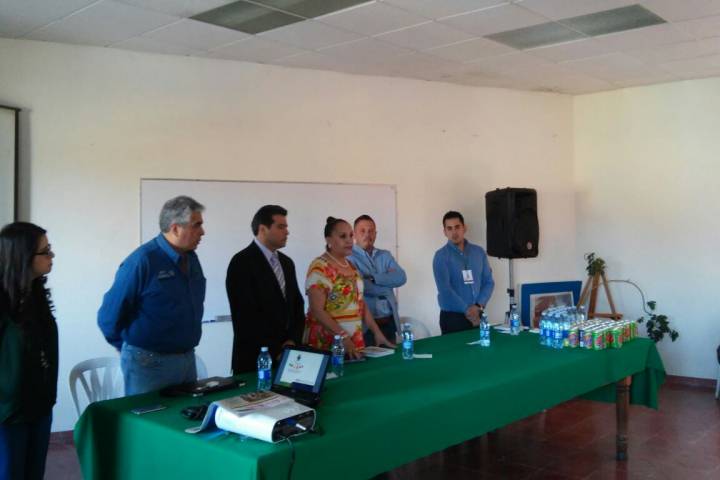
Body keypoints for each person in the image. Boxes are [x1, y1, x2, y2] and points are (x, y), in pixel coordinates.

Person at [98, 196, 206, 395]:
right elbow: (108, 316)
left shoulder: (191, 259)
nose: (202, 232)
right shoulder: (142, 261)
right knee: (150, 415)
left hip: (187, 360)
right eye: (196, 225)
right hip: (149, 364)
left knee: (187, 415)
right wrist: (131, 349)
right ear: (175, 228)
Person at [0, 222, 57, 480]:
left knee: (34, 473)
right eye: (45, 251)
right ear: (22, 257)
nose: (51, 255)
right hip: (9, 413)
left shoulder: (35, 292)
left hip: (40, 404)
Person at [225, 205, 305, 374]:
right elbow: (245, 316)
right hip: (255, 358)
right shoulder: (241, 262)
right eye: (281, 227)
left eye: (286, 227)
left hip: (289, 356)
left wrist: (292, 341)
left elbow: (297, 305)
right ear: (263, 229)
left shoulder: (287, 263)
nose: (287, 232)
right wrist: (275, 350)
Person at [304, 217, 394, 358]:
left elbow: (360, 302)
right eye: (343, 236)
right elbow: (317, 311)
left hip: (353, 342)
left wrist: (377, 332)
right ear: (328, 240)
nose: (349, 240)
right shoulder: (319, 267)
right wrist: (343, 337)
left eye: (351, 235)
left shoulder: (351, 266)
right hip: (329, 344)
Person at [432, 211, 494, 334]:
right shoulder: (441, 256)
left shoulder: (478, 252)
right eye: (449, 228)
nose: (454, 232)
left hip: (478, 313)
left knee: (481, 347)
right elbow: (445, 290)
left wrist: (478, 306)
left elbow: (488, 282)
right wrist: (468, 310)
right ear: (444, 232)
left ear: (464, 228)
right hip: (453, 318)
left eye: (457, 227)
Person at [349, 214, 407, 346]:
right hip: (366, 326)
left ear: (375, 234)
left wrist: (373, 278)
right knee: (369, 358)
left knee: (393, 358)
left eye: (371, 231)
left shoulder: (385, 255)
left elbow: (401, 277)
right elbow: (362, 287)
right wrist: (388, 284)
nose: (367, 234)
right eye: (362, 231)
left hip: (389, 322)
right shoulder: (349, 258)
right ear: (354, 234)